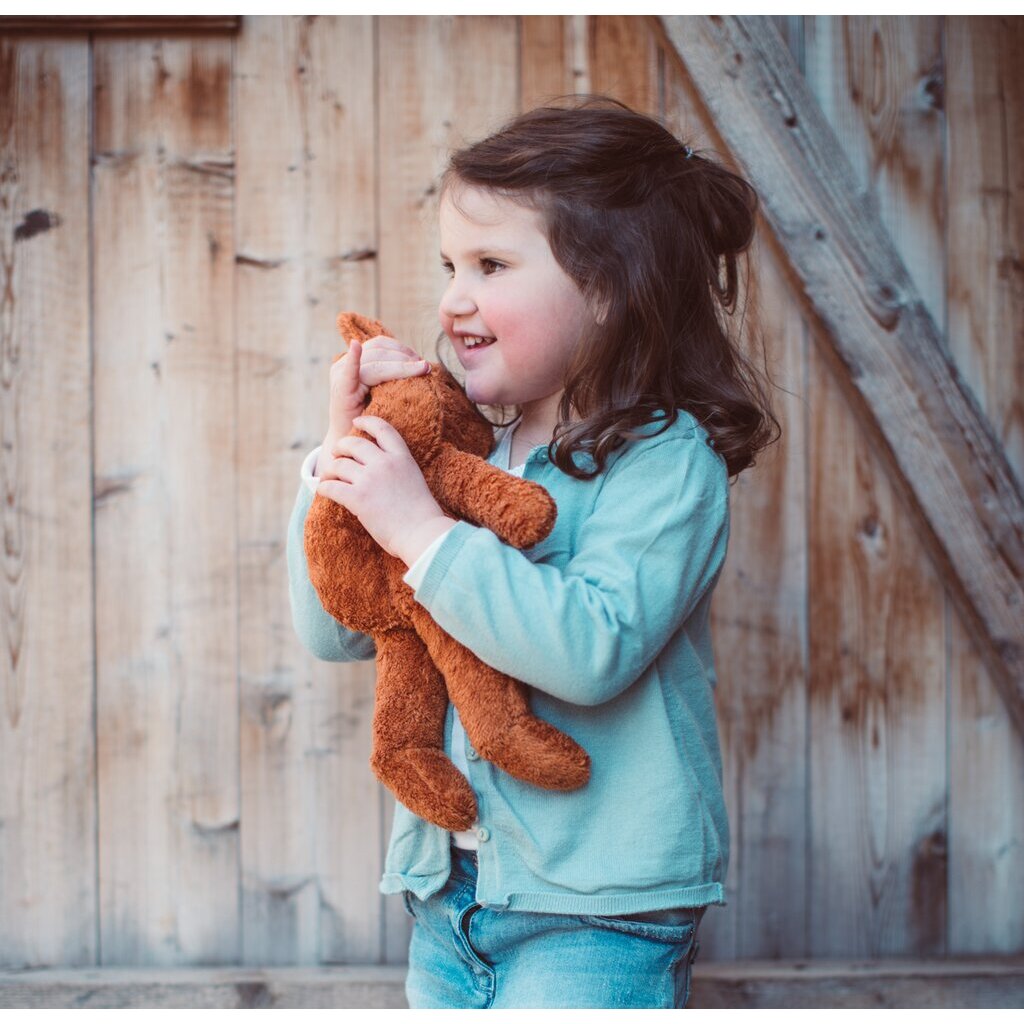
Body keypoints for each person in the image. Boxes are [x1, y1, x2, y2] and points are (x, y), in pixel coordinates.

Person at [286, 95, 779, 1009]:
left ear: (607, 287)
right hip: (448, 896)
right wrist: (340, 460)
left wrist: (421, 531)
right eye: (450, 265)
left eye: (492, 263)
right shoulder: (464, 452)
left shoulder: (667, 464)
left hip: (599, 912)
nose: (451, 299)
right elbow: (339, 629)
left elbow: (590, 652)